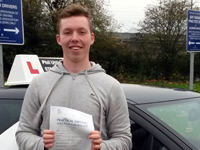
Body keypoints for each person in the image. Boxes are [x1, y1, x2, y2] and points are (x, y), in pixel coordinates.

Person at [16, 4, 132, 150]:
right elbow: (23, 133)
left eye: (82, 32)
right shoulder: (39, 83)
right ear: (59, 39)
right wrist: (41, 144)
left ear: (91, 37)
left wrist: (103, 147)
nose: (75, 38)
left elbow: (124, 139)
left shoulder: (111, 86)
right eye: (68, 32)